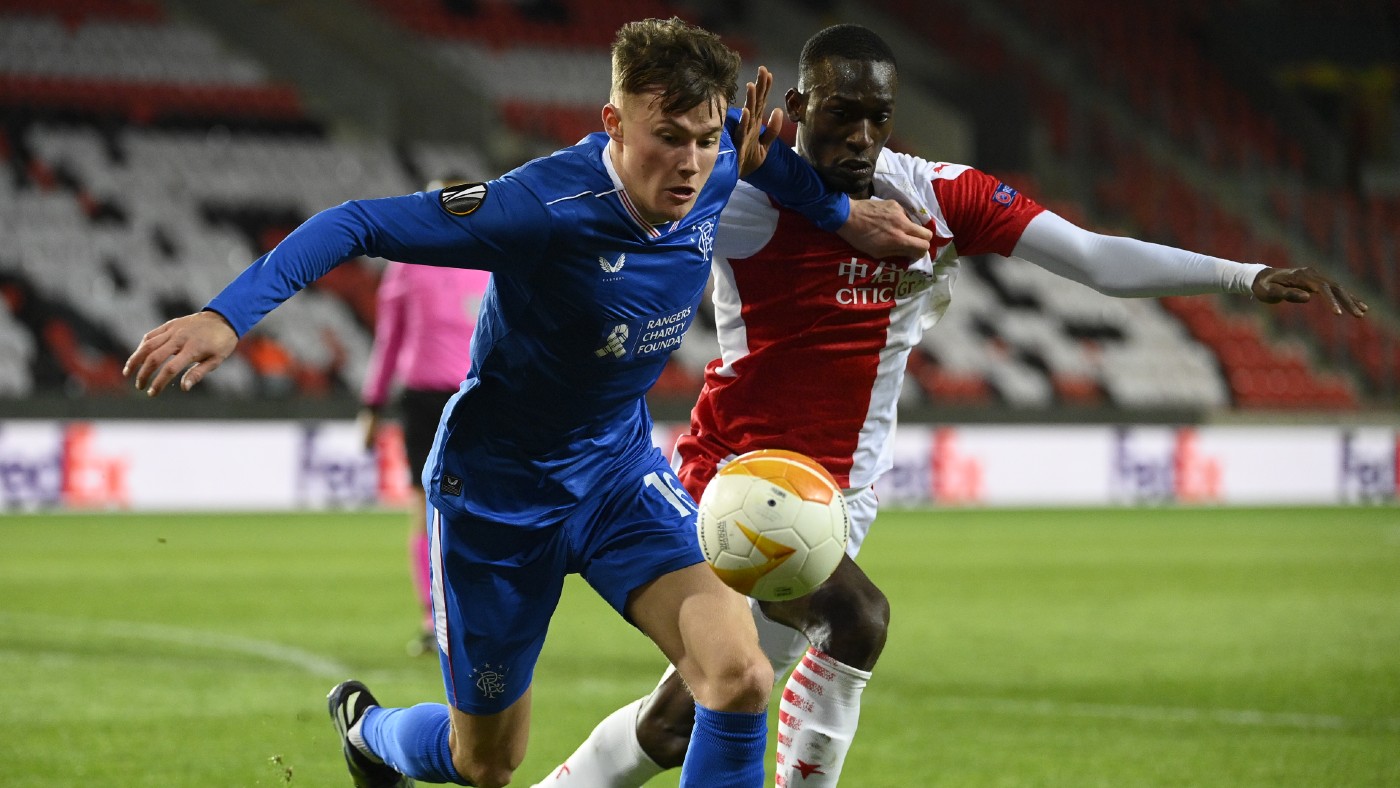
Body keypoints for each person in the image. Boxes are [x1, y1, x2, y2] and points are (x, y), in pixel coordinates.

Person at [531, 23, 1369, 788]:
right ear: (800, 108)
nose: (860, 136)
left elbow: (1093, 258)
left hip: (843, 494)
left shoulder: (936, 197)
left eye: (878, 118)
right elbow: (624, 191)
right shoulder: (743, 192)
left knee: (681, 721)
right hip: (741, 477)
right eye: (841, 114)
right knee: (858, 620)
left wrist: (1242, 276)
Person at [123, 17, 931, 788]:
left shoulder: (718, 160)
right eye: (668, 138)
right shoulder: (538, 209)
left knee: (739, 676)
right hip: (497, 497)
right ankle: (369, 732)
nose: (691, 163)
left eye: (704, 138)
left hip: (617, 476)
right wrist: (227, 315)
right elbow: (357, 222)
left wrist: (841, 214)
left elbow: (764, 162)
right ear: (614, 125)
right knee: (486, 762)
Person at [356, 204, 493, 656]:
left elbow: (388, 341)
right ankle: (465, 618)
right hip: (468, 396)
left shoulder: (409, 265)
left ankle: (437, 619)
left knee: (431, 507)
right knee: (469, 507)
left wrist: (372, 405)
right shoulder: (487, 259)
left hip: (444, 398)